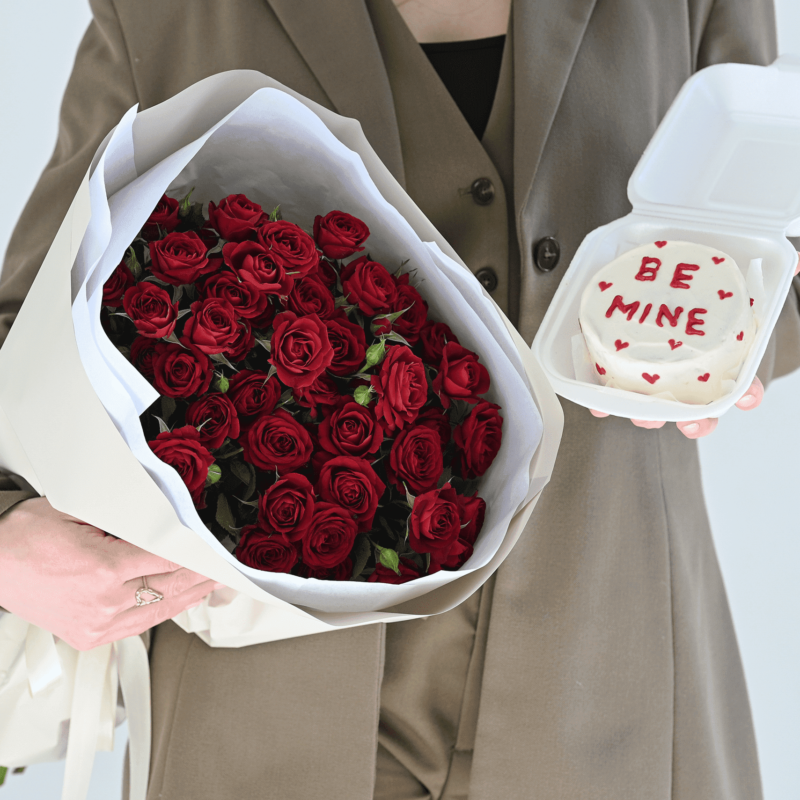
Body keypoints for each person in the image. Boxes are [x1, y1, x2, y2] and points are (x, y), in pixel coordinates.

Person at [1, 0, 798, 798]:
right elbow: (28, 323)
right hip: (262, 706)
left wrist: (733, 338)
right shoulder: (160, 13)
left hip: (611, 658)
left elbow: (774, 248)